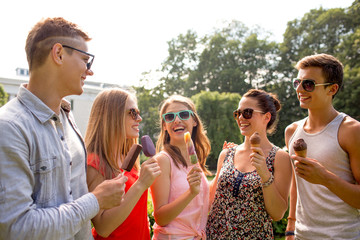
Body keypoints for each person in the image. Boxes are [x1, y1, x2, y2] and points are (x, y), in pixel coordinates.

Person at [0, 17, 127, 239]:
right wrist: (95, 201)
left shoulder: (67, 116)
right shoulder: (9, 127)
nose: (90, 71)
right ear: (58, 53)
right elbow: (17, 228)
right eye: (85, 60)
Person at [285, 53, 360, 239]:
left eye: (308, 84)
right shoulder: (292, 131)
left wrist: (325, 178)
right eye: (297, 83)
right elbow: (296, 183)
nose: (300, 89)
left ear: (332, 89)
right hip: (302, 235)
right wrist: (291, 226)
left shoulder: (351, 130)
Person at [206, 89, 292, 239]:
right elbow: (211, 197)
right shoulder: (226, 154)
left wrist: (265, 175)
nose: (240, 118)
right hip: (215, 235)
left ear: (266, 117)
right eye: (237, 113)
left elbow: (277, 213)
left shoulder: (280, 157)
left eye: (247, 112)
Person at [85, 88, 161, 239]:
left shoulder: (128, 156)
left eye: (138, 113)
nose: (139, 118)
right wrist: (140, 184)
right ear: (112, 116)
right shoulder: (94, 163)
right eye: (133, 113)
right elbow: (103, 228)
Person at [150, 95, 211, 239]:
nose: (177, 120)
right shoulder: (163, 160)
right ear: (164, 126)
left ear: (194, 121)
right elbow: (161, 218)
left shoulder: (194, 159)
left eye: (183, 114)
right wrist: (190, 192)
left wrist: (221, 165)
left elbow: (203, 201)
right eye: (169, 117)